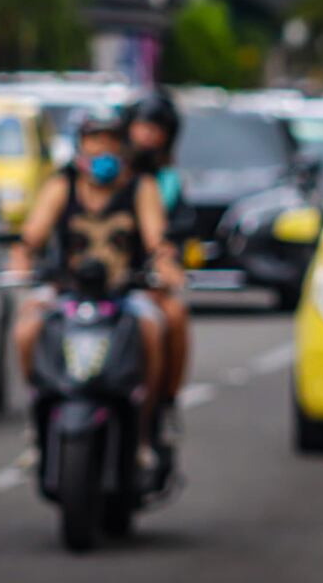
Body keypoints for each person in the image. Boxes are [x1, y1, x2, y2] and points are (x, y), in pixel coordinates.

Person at [9, 111, 185, 468]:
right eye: (95, 142)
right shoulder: (62, 185)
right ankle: (39, 416)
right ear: (80, 148)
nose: (102, 150)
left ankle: (146, 427)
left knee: (152, 330)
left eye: (110, 142)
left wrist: (166, 266)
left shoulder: (141, 186)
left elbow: (157, 241)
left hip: (124, 294)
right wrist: (22, 261)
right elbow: (30, 238)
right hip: (69, 293)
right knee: (27, 329)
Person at [123, 92, 192, 411]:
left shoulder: (164, 182)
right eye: (143, 127)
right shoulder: (92, 180)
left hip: (145, 280)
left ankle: (164, 401)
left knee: (172, 317)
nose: (148, 135)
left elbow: (164, 239)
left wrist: (166, 263)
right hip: (98, 283)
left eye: (156, 129)